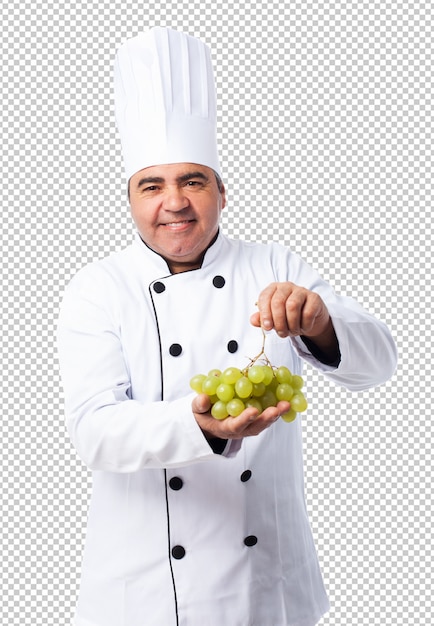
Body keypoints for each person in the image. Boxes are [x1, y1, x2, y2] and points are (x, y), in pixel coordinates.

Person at [57, 27, 397, 626]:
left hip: (268, 591)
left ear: (221, 190)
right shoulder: (97, 289)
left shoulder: (275, 265)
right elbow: (96, 434)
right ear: (130, 199)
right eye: (152, 186)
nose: (175, 202)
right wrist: (197, 421)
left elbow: (380, 362)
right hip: (146, 599)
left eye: (192, 180)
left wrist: (321, 321)